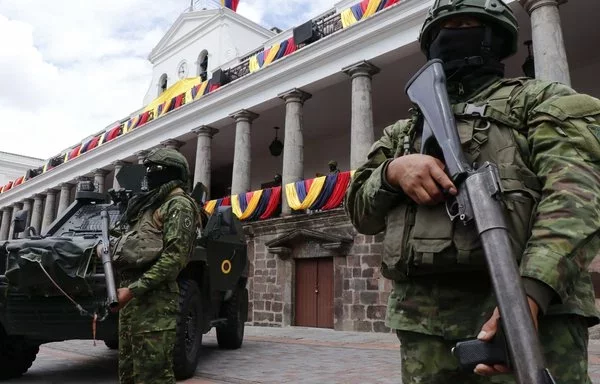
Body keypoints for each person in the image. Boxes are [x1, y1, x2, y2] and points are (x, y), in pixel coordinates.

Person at [345, 1, 600, 383]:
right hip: (425, 327)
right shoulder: (401, 134)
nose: (454, 35)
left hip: (536, 315)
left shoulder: (544, 101)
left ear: (494, 38)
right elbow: (360, 212)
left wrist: (529, 294)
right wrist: (393, 172)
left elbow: (576, 198)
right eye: (445, 28)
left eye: (467, 25)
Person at [110, 147, 198, 384]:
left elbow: (174, 259)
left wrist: (133, 290)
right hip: (132, 305)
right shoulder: (148, 206)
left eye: (154, 169)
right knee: (128, 374)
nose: (148, 174)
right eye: (146, 169)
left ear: (171, 172)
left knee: (153, 376)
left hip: (155, 305)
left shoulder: (178, 205)